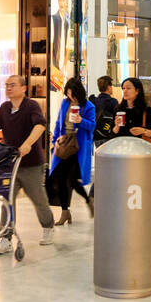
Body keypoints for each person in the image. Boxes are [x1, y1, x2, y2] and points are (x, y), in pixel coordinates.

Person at [0, 75, 54, 251]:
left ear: (23, 88)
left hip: (31, 164)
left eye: (12, 85)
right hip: (10, 164)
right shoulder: (5, 107)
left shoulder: (31, 106)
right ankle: (5, 238)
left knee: (38, 199)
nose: (8, 88)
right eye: (6, 85)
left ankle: (48, 227)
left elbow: (40, 126)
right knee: (6, 200)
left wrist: (28, 143)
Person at [48, 77, 95, 224]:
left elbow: (92, 126)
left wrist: (81, 121)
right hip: (64, 145)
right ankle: (65, 212)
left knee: (73, 179)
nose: (70, 97)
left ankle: (87, 201)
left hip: (78, 147)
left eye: (72, 94)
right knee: (60, 178)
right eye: (68, 94)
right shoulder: (65, 103)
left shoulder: (88, 106)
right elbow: (58, 122)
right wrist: (54, 140)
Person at [115, 77, 151, 143]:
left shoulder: (147, 111)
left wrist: (143, 131)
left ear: (137, 91)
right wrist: (116, 126)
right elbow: (112, 134)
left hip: (141, 149)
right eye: (123, 88)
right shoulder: (118, 110)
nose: (125, 91)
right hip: (122, 148)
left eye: (128, 88)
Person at [90, 75, 119, 143]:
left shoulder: (93, 100)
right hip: (109, 136)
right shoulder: (113, 102)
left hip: (95, 136)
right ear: (108, 87)